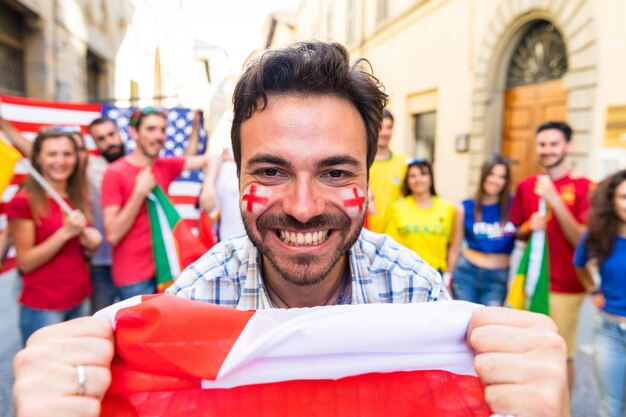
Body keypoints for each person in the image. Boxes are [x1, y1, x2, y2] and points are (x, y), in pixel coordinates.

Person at [13, 41, 569, 417]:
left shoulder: (415, 291)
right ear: (237, 174)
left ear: (370, 183)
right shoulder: (196, 298)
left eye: (335, 172)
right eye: (272, 171)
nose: (303, 207)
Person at [101, 107, 217, 299]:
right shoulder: (115, 173)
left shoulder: (163, 166)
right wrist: (139, 192)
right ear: (134, 133)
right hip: (134, 279)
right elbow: (113, 235)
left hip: (167, 268)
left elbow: (212, 158)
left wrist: (209, 186)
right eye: (151, 129)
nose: (158, 136)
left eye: (162, 130)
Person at [510, 120, 593, 390]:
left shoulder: (584, 187)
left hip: (565, 287)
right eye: (542, 144)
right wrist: (527, 226)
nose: (547, 150)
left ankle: (561, 408)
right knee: (527, 349)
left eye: (554, 144)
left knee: (560, 354)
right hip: (531, 283)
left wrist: (555, 199)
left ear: (568, 146)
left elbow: (581, 240)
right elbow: (517, 232)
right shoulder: (526, 185)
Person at [4, 128, 102, 344]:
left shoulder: (78, 195)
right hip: (44, 306)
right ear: (38, 157)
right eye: (52, 154)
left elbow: (78, 252)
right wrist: (65, 233)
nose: (61, 161)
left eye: (67, 154)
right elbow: (26, 262)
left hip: (81, 296)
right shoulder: (23, 201)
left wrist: (89, 245)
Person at [574, 169, 626, 417]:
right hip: (609, 333)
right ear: (611, 201)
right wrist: (592, 289)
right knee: (612, 408)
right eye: (624, 197)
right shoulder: (599, 234)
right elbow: (579, 263)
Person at [451, 154, 516, 306]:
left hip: (497, 279)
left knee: (488, 326)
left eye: (502, 177)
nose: (495, 180)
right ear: (483, 176)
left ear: (506, 181)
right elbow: (455, 248)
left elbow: (524, 233)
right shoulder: (465, 207)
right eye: (491, 174)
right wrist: (447, 277)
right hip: (466, 273)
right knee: (464, 325)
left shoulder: (514, 206)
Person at [384, 159, 459, 275]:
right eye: (412, 176)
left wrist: (448, 275)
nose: (418, 179)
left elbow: (452, 247)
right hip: (406, 272)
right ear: (407, 181)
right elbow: (391, 246)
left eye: (423, 174)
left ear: (431, 178)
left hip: (436, 273)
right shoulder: (398, 208)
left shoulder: (447, 208)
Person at [85, 117, 126, 313]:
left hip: (136, 263)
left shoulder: (140, 161)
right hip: (102, 263)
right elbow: (40, 155)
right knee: (101, 321)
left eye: (111, 134)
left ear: (120, 132)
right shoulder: (89, 167)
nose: (109, 142)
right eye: (101, 139)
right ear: (95, 143)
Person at [366, 109, 407, 233]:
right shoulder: (363, 162)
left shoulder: (403, 163)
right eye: (380, 127)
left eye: (389, 127)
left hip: (393, 237)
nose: (384, 132)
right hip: (365, 233)